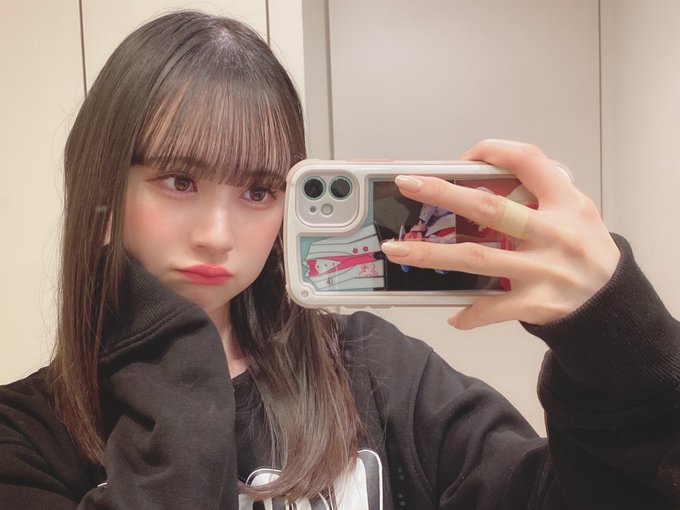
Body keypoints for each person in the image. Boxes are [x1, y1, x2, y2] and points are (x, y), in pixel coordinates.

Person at [0, 10, 678, 510]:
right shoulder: (24, 438)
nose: (217, 234)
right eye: (179, 180)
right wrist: (173, 356)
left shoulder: (373, 372)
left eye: (258, 191)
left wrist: (617, 339)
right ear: (102, 186)